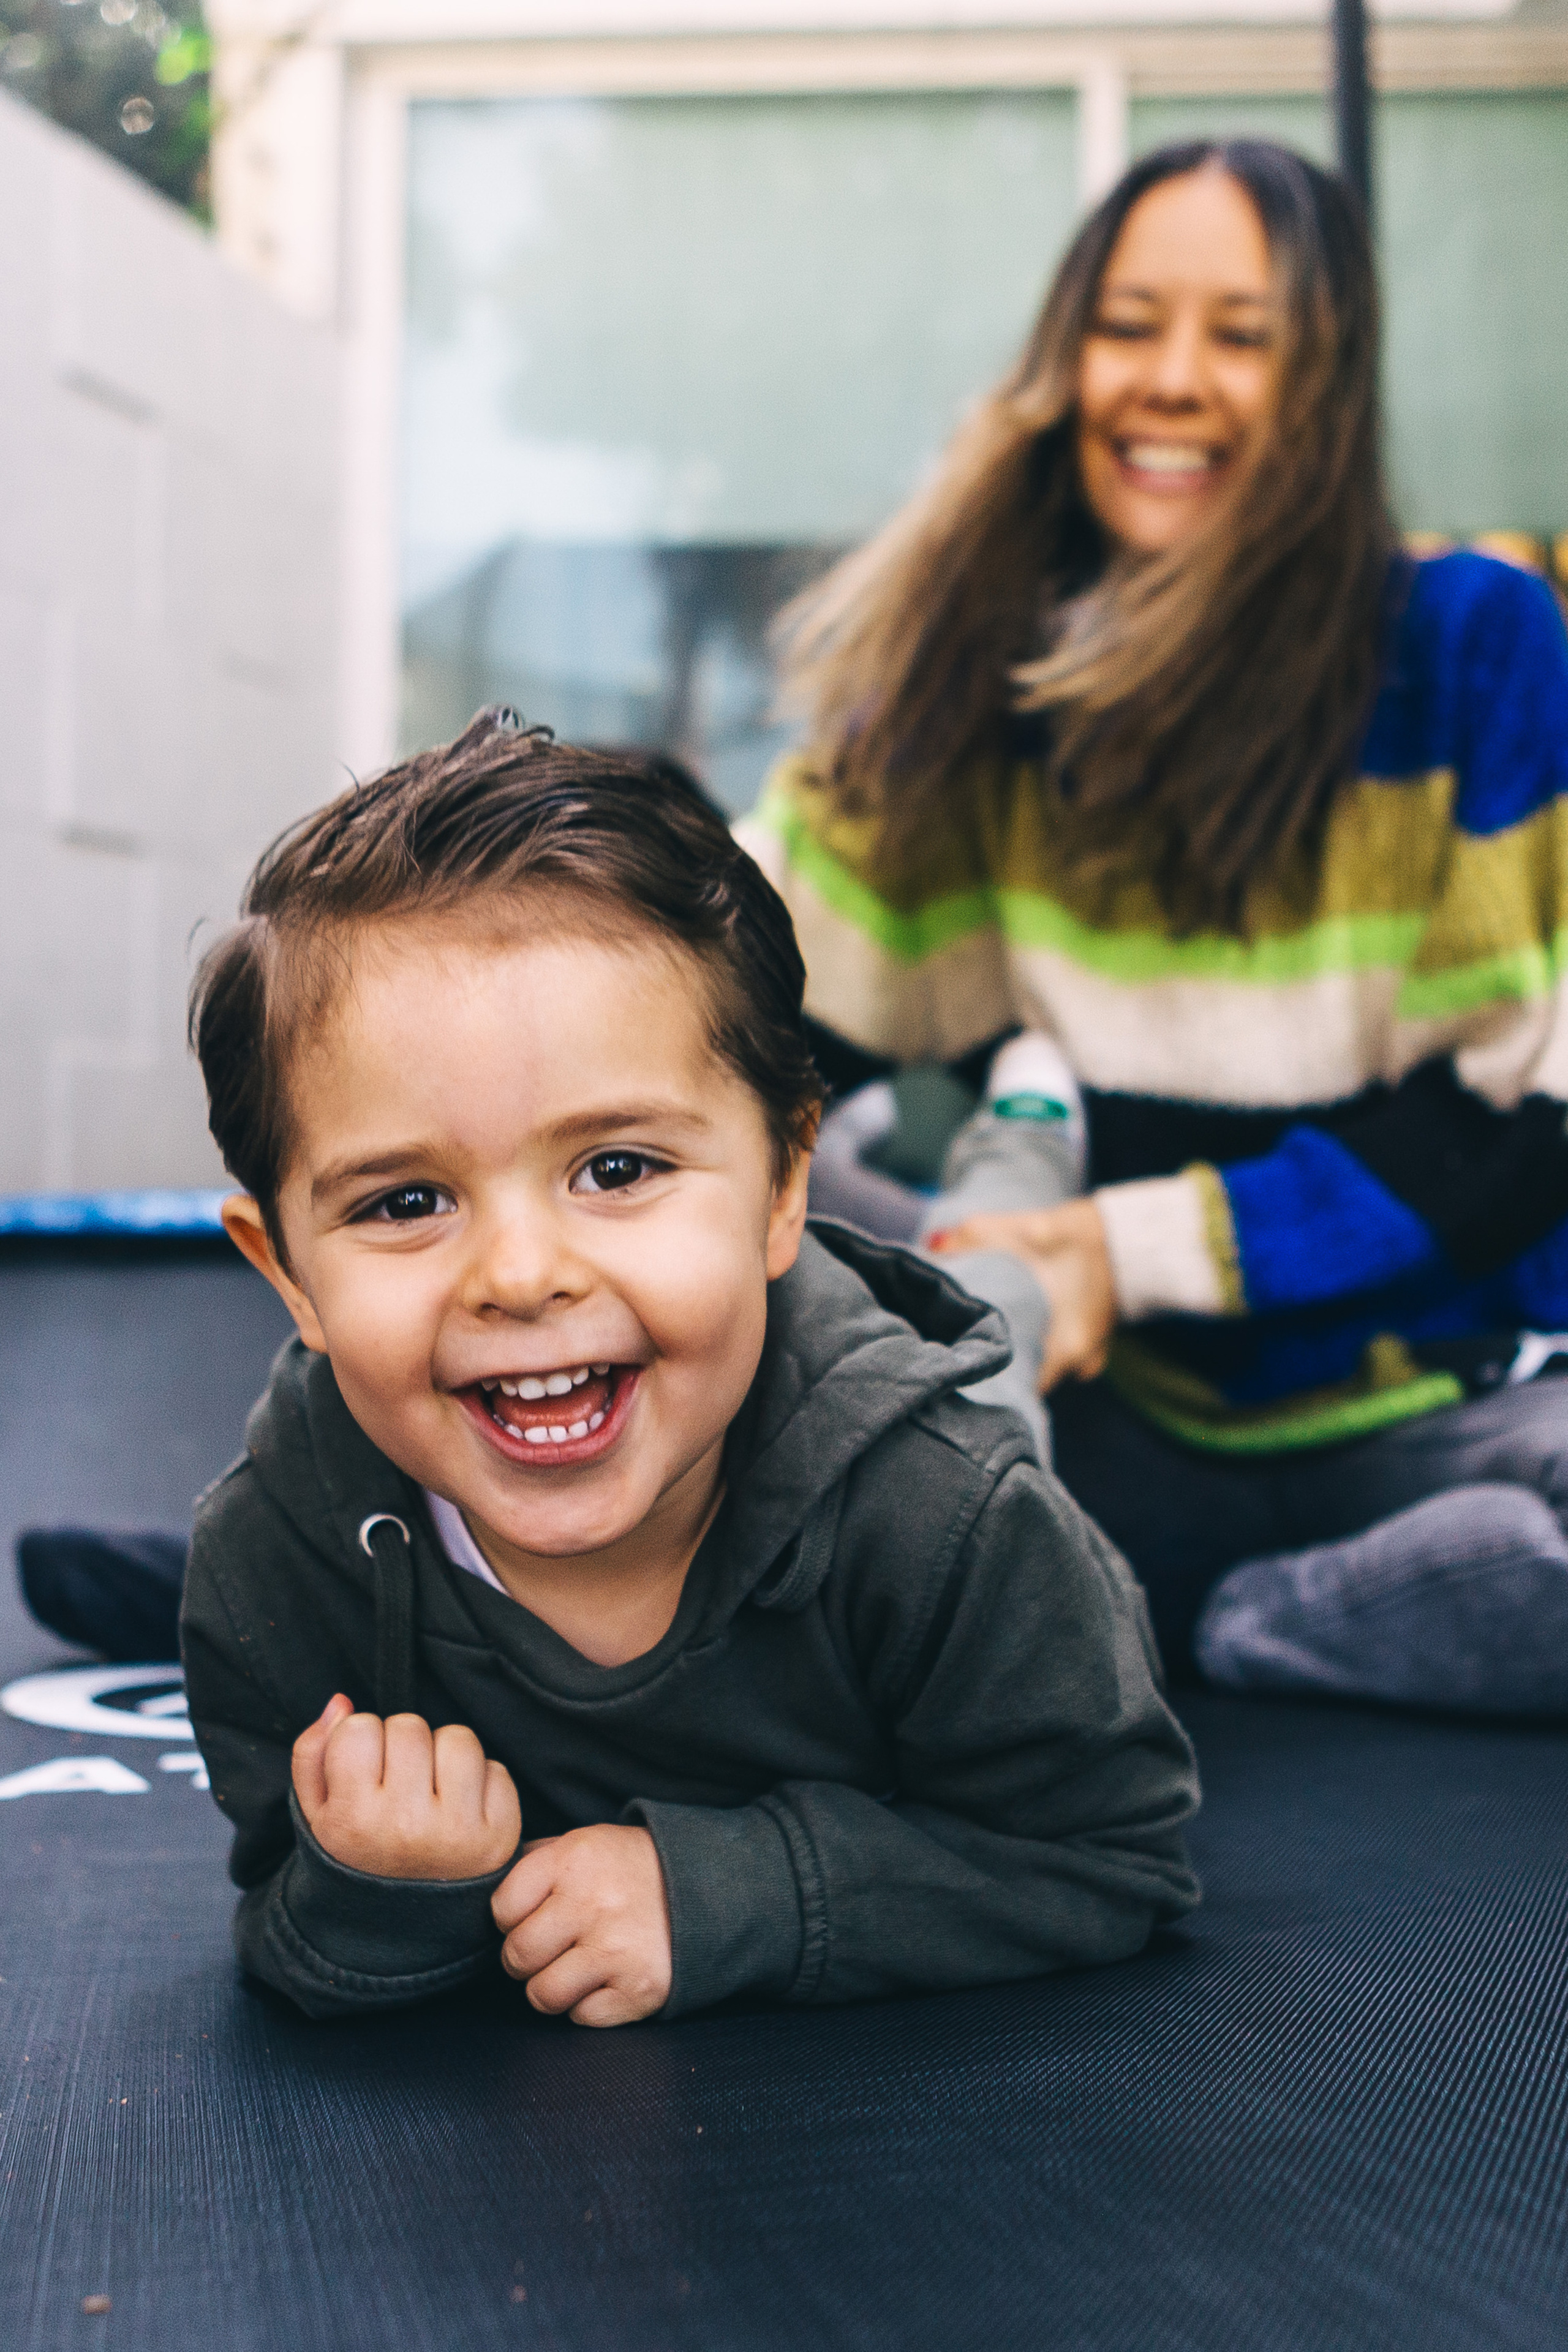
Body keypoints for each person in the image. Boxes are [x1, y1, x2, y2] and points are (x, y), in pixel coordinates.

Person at [173, 712, 1198, 2024]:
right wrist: (381, 1888)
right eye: (403, 1202)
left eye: (616, 1169)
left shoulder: (950, 1516)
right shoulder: (274, 1560)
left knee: (998, 1288)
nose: (519, 1274)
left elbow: (1110, 1854)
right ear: (285, 1273)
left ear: (781, 1185)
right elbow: (285, 1921)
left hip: (904, 1406)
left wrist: (737, 1895)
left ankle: (1027, 1129)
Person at [739, 139, 1568, 1717]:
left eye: (1241, 337)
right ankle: (1153, 1607)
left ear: (1325, 386)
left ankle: (1258, 1620)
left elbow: (1513, 1125)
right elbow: (766, 997)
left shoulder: (1470, 643)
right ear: (1062, 362)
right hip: (1102, 1408)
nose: (1171, 379)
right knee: (842, 1330)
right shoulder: (999, 670)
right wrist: (955, 555)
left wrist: (1126, 1246)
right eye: (1126, 325)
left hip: (1423, 1410)